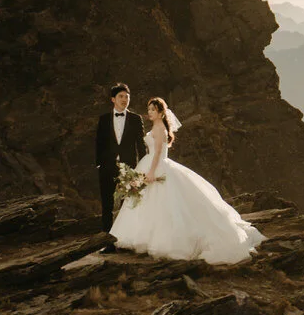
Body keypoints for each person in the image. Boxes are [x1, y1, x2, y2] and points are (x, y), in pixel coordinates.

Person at [109, 97, 266, 264]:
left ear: (161, 112)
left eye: (153, 110)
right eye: (149, 110)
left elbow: (157, 153)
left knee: (163, 204)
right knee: (145, 202)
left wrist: (152, 172)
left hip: (157, 166)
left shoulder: (161, 129)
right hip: (149, 164)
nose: (149, 113)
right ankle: (136, 237)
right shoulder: (156, 127)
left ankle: (162, 241)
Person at [94, 83, 148, 234]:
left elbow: (141, 145)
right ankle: (107, 241)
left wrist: (142, 168)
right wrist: (99, 164)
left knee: (128, 205)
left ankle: (125, 239)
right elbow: (99, 142)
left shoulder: (136, 119)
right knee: (107, 205)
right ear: (113, 99)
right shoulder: (104, 119)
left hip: (129, 167)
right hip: (107, 167)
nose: (124, 99)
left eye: (127, 97)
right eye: (121, 96)